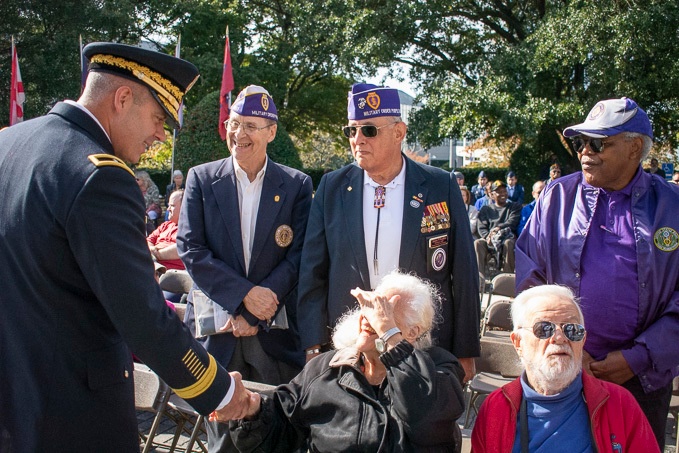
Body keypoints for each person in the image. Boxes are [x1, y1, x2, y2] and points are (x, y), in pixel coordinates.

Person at [0, 42, 248, 452]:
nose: (159, 135)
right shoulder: (100, 176)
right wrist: (221, 391)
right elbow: (144, 317)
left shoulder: (10, 145)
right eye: (157, 118)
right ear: (122, 98)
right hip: (71, 419)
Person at [516, 97, 679, 449]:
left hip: (643, 377)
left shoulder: (673, 207)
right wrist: (566, 346)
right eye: (580, 143)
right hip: (562, 367)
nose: (584, 152)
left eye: (598, 143)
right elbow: (530, 276)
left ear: (635, 148)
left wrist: (637, 357)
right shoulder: (557, 197)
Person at [297, 83, 480, 383]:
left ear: (399, 132)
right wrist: (313, 344)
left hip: (419, 343)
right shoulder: (333, 188)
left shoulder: (438, 185)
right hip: (351, 345)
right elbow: (313, 273)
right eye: (351, 131)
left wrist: (466, 351)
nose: (357, 139)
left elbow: (463, 273)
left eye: (368, 130)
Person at [177, 84, 313, 452]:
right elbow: (190, 247)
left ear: (271, 132)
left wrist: (258, 308)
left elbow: (300, 254)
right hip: (218, 332)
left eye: (251, 126)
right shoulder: (201, 179)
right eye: (235, 124)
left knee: (277, 432)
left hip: (274, 332)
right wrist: (244, 299)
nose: (239, 133)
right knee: (222, 439)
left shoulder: (297, 185)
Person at [224, 271, 466, 452]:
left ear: (413, 332)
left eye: (385, 311)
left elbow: (423, 415)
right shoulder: (327, 368)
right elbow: (280, 428)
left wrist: (388, 333)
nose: (371, 315)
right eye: (371, 305)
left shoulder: (440, 369)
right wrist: (250, 410)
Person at [471, 285, 659, 452]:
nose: (560, 338)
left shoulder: (619, 404)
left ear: (582, 341)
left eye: (572, 330)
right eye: (544, 329)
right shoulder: (496, 409)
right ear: (518, 342)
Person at [474, 180, 521, 274]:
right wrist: (488, 236)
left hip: (506, 237)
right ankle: (479, 278)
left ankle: (508, 277)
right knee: (478, 243)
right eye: (499, 192)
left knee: (508, 243)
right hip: (489, 239)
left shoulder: (514, 206)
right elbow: (481, 226)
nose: (503, 194)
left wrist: (498, 228)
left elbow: (512, 222)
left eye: (504, 191)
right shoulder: (486, 209)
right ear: (492, 194)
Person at [148, 189, 186, 302]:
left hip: (173, 281)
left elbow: (181, 249)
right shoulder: (165, 225)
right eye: (168, 205)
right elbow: (147, 241)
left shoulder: (189, 229)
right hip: (150, 273)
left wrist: (155, 253)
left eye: (172, 205)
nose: (168, 209)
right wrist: (154, 250)